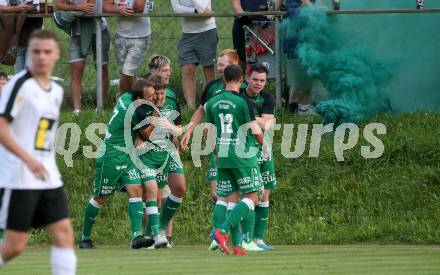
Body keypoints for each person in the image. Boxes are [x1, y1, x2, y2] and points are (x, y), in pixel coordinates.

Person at [0, 30, 77, 274]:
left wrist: (43, 162)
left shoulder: (55, 91)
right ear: (29, 54)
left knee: (64, 234)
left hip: (48, 176)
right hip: (20, 176)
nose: (41, 56)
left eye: (47, 52)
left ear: (57, 55)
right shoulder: (19, 85)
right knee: (15, 245)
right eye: (36, 52)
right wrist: (29, 159)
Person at [78, 78, 156, 250]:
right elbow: (148, 134)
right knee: (100, 197)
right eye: (149, 97)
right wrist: (156, 115)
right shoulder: (135, 111)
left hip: (126, 155)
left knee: (136, 190)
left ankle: (136, 236)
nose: (152, 99)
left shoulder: (125, 96)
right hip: (111, 156)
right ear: (138, 98)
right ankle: (85, 238)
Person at [206, 64, 265, 255]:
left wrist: (216, 153)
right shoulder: (243, 102)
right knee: (253, 196)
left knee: (229, 198)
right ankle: (222, 231)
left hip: (222, 155)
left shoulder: (212, 102)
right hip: (242, 155)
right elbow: (255, 130)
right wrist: (263, 144)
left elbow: (209, 132)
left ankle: (237, 245)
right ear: (241, 80)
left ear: (224, 79)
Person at [135, 74, 185, 249]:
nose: (159, 98)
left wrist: (170, 128)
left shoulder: (171, 102)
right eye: (156, 94)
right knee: (153, 195)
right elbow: (134, 127)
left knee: (179, 188)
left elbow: (178, 130)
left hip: (169, 151)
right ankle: (153, 236)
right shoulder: (143, 106)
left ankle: (161, 231)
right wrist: (137, 138)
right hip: (150, 155)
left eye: (162, 94)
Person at [240, 63, 276, 251]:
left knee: (265, 194)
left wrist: (253, 119)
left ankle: (259, 239)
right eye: (255, 79)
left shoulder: (268, 97)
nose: (258, 83)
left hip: (264, 150)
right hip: (244, 151)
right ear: (247, 78)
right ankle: (245, 238)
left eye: (262, 80)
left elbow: (267, 125)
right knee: (248, 194)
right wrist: (260, 120)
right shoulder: (238, 96)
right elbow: (261, 122)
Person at [55, 0, 110, 114]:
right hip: (77, 32)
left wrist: (71, 8)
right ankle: (77, 110)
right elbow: (58, 5)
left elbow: (89, 7)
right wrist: (77, 7)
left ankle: (101, 107)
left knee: (102, 68)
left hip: (99, 29)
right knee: (76, 70)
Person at [171, 0, 218, 109]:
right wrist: (196, 11)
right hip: (187, 34)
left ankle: (207, 106)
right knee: (188, 69)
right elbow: (177, 10)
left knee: (208, 70)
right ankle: (190, 108)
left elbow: (205, 11)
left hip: (207, 31)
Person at [104, 0, 151, 95]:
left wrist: (121, 6)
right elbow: (105, 7)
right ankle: (131, 99)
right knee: (125, 74)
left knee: (127, 72)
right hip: (121, 36)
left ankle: (122, 98)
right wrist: (118, 8)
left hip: (140, 36)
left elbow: (139, 8)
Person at [0, 0, 43, 73]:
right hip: (16, 40)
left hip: (33, 38)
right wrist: (18, 8)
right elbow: (1, 7)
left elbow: (33, 6)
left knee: (29, 74)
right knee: (19, 75)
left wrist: (13, 9)